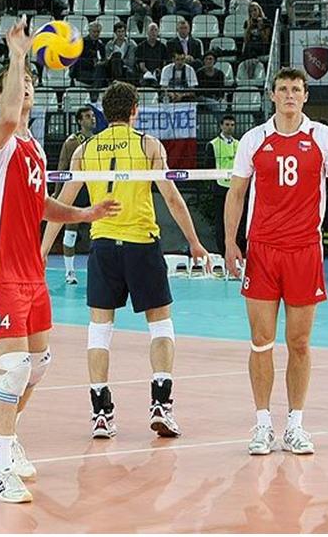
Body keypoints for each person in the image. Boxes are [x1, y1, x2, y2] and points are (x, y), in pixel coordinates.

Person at [0, 16, 121, 503]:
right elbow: (9, 117)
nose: (28, 90)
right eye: (20, 86)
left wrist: (84, 213)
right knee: (14, 366)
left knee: (38, 364)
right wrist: (17, 54)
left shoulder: (33, 147)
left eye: (32, 85)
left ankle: (1, 436)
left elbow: (39, 204)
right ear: (1, 97)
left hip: (30, 272)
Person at [41, 81, 210, 441]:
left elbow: (62, 205)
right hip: (141, 244)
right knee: (160, 325)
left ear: (104, 113)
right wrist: (195, 242)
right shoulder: (148, 145)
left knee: (99, 329)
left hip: (103, 246)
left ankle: (101, 414)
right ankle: (161, 405)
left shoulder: (85, 150)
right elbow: (172, 198)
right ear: (135, 110)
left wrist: (41, 252)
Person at [224, 67, 328, 456]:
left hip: (304, 250)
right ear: (272, 96)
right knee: (261, 341)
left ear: (305, 96)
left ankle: (295, 425)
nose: (289, 95)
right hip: (263, 250)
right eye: (282, 89)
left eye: (296, 89)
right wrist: (231, 242)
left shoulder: (322, 137)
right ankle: (263, 424)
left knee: (299, 343)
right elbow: (236, 193)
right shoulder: (254, 139)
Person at [52, 106, 97, 285]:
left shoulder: (98, 140)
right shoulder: (72, 142)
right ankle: (70, 272)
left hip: (94, 189)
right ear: (79, 121)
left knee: (99, 231)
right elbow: (62, 168)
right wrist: (58, 193)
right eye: (87, 116)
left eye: (92, 116)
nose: (92, 119)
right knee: (71, 231)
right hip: (76, 190)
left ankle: (98, 269)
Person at [206, 114, 245, 255]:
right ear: (221, 126)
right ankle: (223, 252)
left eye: (232, 125)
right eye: (227, 125)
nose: (230, 127)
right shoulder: (213, 144)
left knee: (239, 220)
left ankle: (239, 250)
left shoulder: (239, 144)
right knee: (221, 222)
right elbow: (209, 167)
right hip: (220, 188)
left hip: (237, 187)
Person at [70, 21, 107, 89]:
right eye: (94, 32)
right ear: (89, 31)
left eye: (98, 32)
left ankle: (95, 90)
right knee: (100, 76)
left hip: (96, 71)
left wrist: (101, 63)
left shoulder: (101, 45)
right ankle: (95, 91)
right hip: (83, 72)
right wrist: (92, 63)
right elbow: (76, 61)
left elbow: (104, 59)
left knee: (101, 70)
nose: (96, 34)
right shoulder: (81, 43)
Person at [135, 22, 170, 87]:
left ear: (158, 32)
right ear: (147, 32)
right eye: (151, 30)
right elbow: (141, 66)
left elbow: (165, 63)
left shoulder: (162, 47)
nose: (153, 32)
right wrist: (149, 73)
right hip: (145, 74)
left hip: (159, 73)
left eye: (155, 30)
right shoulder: (141, 46)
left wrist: (159, 71)